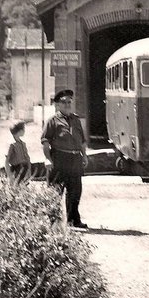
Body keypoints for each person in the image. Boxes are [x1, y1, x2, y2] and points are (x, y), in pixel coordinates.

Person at [41, 89, 89, 229]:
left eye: (69, 102)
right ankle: (52, 223)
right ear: (57, 105)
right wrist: (48, 159)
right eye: (64, 102)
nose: (67, 105)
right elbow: (45, 142)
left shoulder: (76, 120)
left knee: (75, 191)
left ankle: (73, 220)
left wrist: (84, 155)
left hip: (75, 159)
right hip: (59, 158)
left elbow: (82, 141)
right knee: (55, 191)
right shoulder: (53, 121)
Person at [5, 121, 32, 186]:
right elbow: (6, 162)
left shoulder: (23, 143)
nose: (24, 131)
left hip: (24, 169)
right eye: (23, 129)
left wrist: (29, 170)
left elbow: (27, 157)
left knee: (24, 188)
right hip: (16, 170)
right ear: (19, 131)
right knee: (16, 188)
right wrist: (10, 176)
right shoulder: (12, 145)